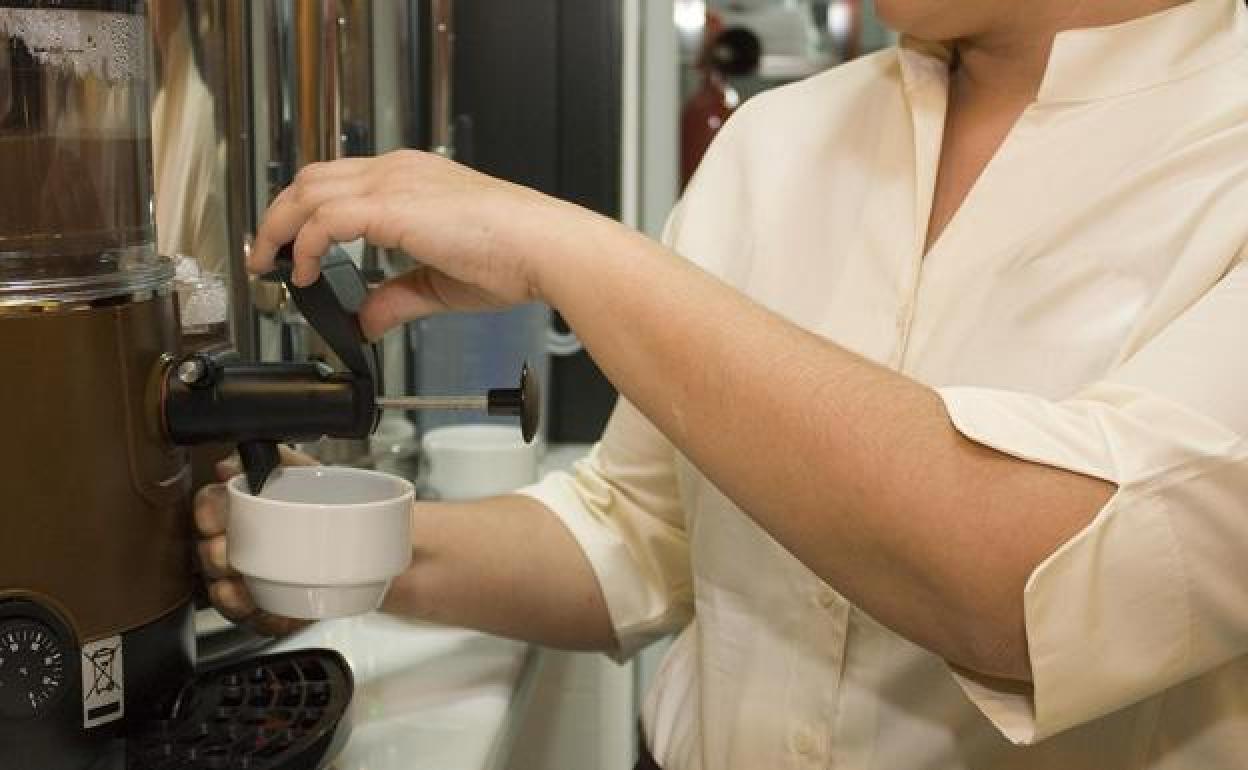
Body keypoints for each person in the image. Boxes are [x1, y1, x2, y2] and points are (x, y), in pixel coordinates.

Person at [195, 0, 1248, 767]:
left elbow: (1033, 580)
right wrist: (344, 548)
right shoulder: (779, 139)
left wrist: (573, 252)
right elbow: (642, 529)